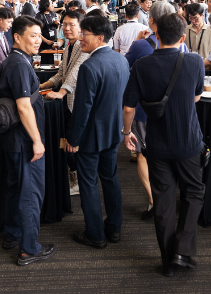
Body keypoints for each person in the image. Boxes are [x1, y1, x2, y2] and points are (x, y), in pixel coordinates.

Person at [122, 13, 206, 277]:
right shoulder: (193, 62)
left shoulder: (142, 65)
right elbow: (196, 97)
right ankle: (182, 248)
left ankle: (168, 261)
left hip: (157, 145)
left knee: (163, 203)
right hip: (189, 141)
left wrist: (127, 133)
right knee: (194, 193)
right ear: (183, 37)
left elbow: (128, 107)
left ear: (155, 35)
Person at [0, 16, 56, 266]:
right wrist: (37, 141)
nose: (38, 40)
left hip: (14, 140)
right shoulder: (19, 64)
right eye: (33, 35)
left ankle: (12, 234)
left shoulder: (18, 60)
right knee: (30, 193)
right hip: (24, 140)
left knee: (15, 187)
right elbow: (23, 107)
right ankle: (29, 249)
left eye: (39, 35)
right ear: (17, 37)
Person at [66, 16, 130, 249]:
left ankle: (95, 234)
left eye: (85, 34)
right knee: (110, 179)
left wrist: (73, 139)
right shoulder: (120, 60)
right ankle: (114, 227)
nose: (80, 38)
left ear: (100, 37)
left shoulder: (90, 66)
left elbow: (82, 109)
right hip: (113, 132)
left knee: (89, 183)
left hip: (91, 137)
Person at [40, 10, 89, 195]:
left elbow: (76, 71)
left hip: (76, 102)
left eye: (72, 25)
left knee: (73, 142)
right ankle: (72, 176)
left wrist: (61, 91)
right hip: (67, 102)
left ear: (81, 26)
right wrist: (42, 85)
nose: (67, 28)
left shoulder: (83, 46)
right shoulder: (69, 46)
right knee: (66, 141)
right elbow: (61, 73)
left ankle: (77, 181)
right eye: (65, 24)